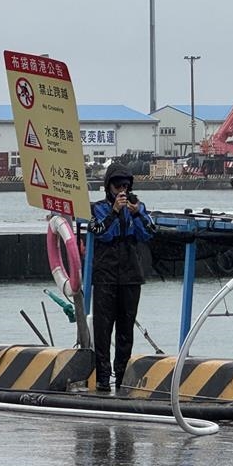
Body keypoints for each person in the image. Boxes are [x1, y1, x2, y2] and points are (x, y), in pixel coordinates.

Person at [89, 163, 155, 392]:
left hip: (130, 275)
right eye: (118, 186)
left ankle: (123, 376)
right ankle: (103, 377)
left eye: (126, 186)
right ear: (109, 187)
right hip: (105, 275)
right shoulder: (97, 208)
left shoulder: (138, 206)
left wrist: (137, 214)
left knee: (126, 329)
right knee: (103, 328)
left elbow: (148, 232)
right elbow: (100, 233)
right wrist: (115, 211)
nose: (122, 191)